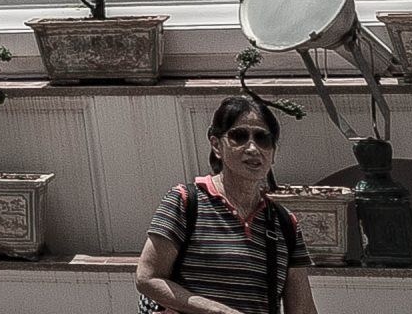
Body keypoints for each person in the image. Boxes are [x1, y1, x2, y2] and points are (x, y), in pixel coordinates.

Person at [136, 92, 317, 314]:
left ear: (273, 152)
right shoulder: (184, 202)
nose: (253, 148)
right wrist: (217, 311)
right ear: (216, 145)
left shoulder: (284, 223)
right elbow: (147, 278)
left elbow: (302, 309)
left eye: (263, 139)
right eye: (239, 136)